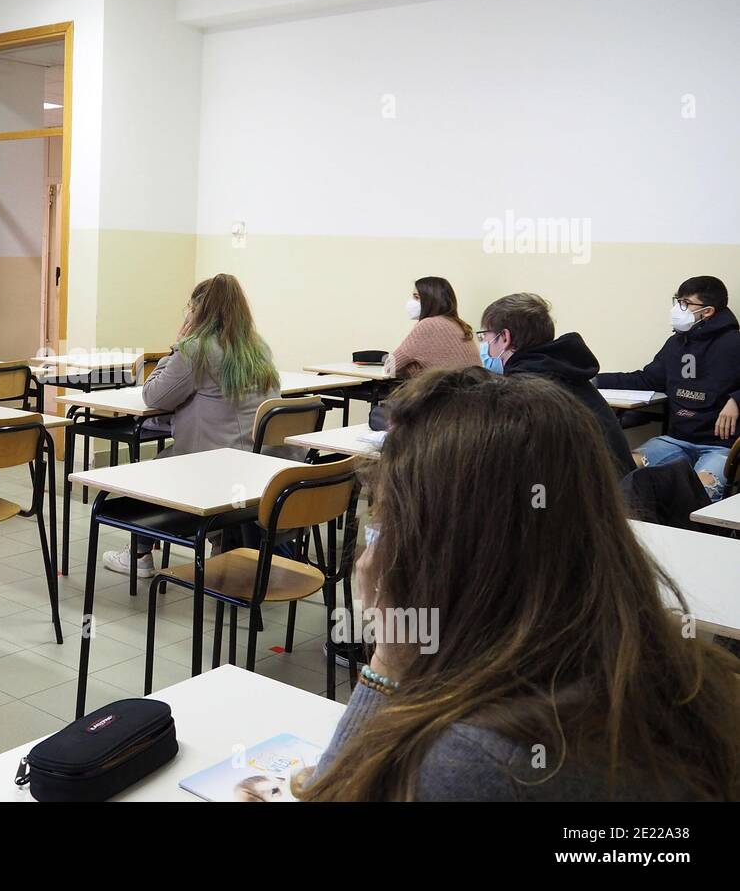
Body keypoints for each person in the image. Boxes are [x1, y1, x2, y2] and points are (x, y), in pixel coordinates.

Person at [302, 368, 739, 801]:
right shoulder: (695, 675)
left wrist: (387, 661)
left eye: (388, 514)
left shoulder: (470, 760)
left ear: (436, 545)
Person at [102, 274, 279, 577]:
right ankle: (223, 543)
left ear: (199, 310)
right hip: (257, 466)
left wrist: (177, 346)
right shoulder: (258, 348)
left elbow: (153, 394)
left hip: (210, 467)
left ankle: (140, 555)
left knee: (150, 470)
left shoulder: (196, 349)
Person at [595, 276, 740, 501]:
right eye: (677, 301)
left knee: (698, 492)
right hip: (675, 440)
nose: (677, 309)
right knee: (619, 468)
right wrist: (595, 381)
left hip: (719, 447)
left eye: (685, 303)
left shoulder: (734, 344)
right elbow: (647, 379)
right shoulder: (676, 344)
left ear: (708, 311)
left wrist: (736, 400)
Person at [478, 293, 635, 475]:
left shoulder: (524, 388)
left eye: (484, 336)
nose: (482, 345)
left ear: (504, 337)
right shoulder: (566, 371)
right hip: (618, 490)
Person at [384, 276, 479, 377]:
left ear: (430, 300)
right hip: (472, 389)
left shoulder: (428, 325)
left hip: (448, 391)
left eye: (416, 297)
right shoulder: (457, 323)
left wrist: (413, 369)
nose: (411, 302)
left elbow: (389, 367)